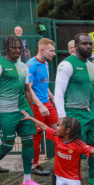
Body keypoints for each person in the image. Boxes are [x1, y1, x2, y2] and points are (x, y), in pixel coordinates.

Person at [54, 33, 94, 185]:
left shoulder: (92, 67)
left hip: (92, 114)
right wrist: (62, 118)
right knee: (73, 151)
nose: (88, 46)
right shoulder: (66, 64)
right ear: (77, 45)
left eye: (90, 44)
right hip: (73, 114)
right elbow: (59, 93)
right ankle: (65, 180)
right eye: (84, 44)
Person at [0, 35, 40, 185]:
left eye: (19, 47)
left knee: (28, 141)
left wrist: (30, 113)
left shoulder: (23, 65)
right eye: (14, 47)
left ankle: (27, 179)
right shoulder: (1, 64)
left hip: (23, 109)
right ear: (6, 48)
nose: (17, 50)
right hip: (6, 111)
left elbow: (27, 90)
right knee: (7, 145)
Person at [26, 38, 58, 176]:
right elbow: (29, 89)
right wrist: (39, 105)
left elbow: (43, 85)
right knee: (36, 137)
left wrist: (52, 97)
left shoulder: (45, 63)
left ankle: (61, 161)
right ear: (42, 50)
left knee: (59, 132)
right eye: (51, 51)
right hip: (36, 106)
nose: (54, 53)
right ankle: (34, 165)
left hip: (47, 104)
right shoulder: (31, 65)